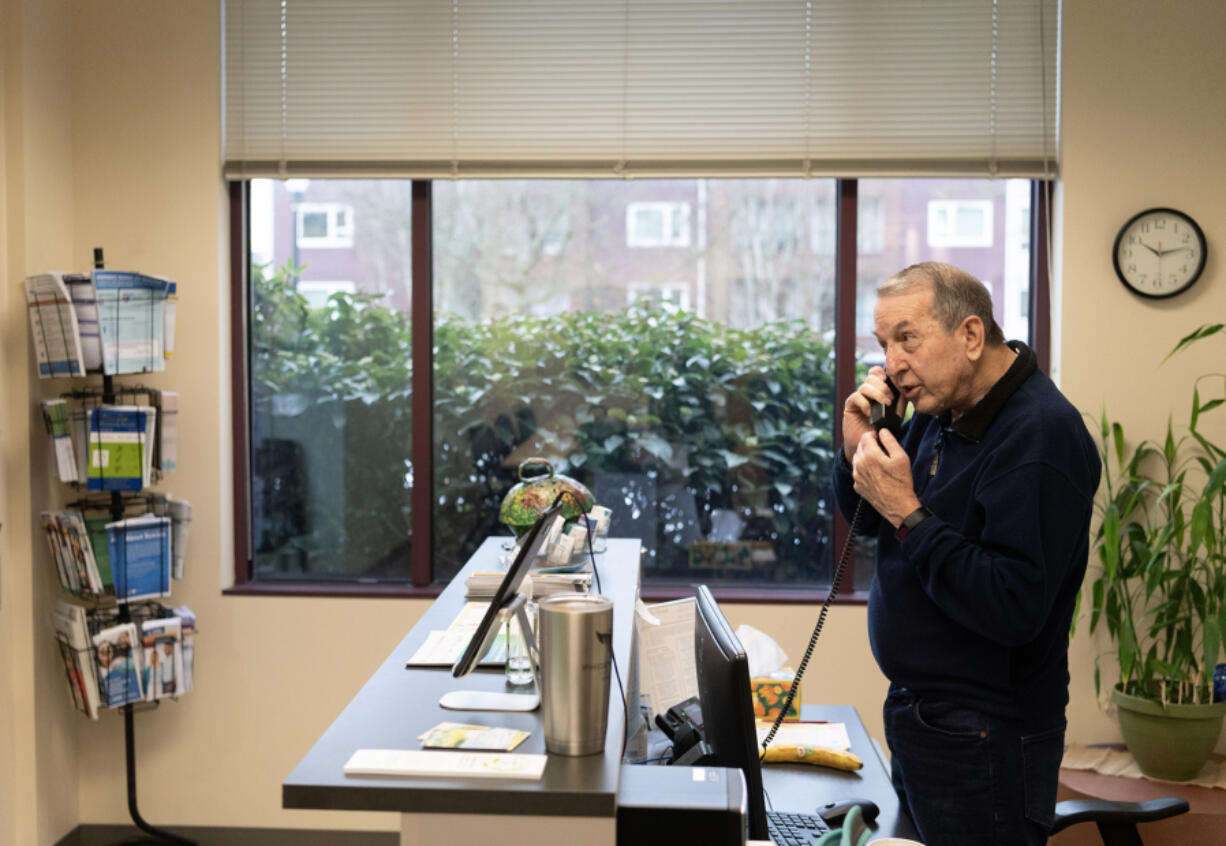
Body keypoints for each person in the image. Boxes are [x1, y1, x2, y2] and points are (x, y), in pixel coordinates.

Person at [832, 262, 1100, 846]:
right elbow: (879, 521)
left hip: (985, 735)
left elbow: (1012, 605)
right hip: (922, 716)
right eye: (884, 345)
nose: (892, 364)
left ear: (971, 336)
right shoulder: (940, 409)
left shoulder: (1040, 436)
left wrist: (908, 509)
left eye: (908, 338)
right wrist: (859, 451)